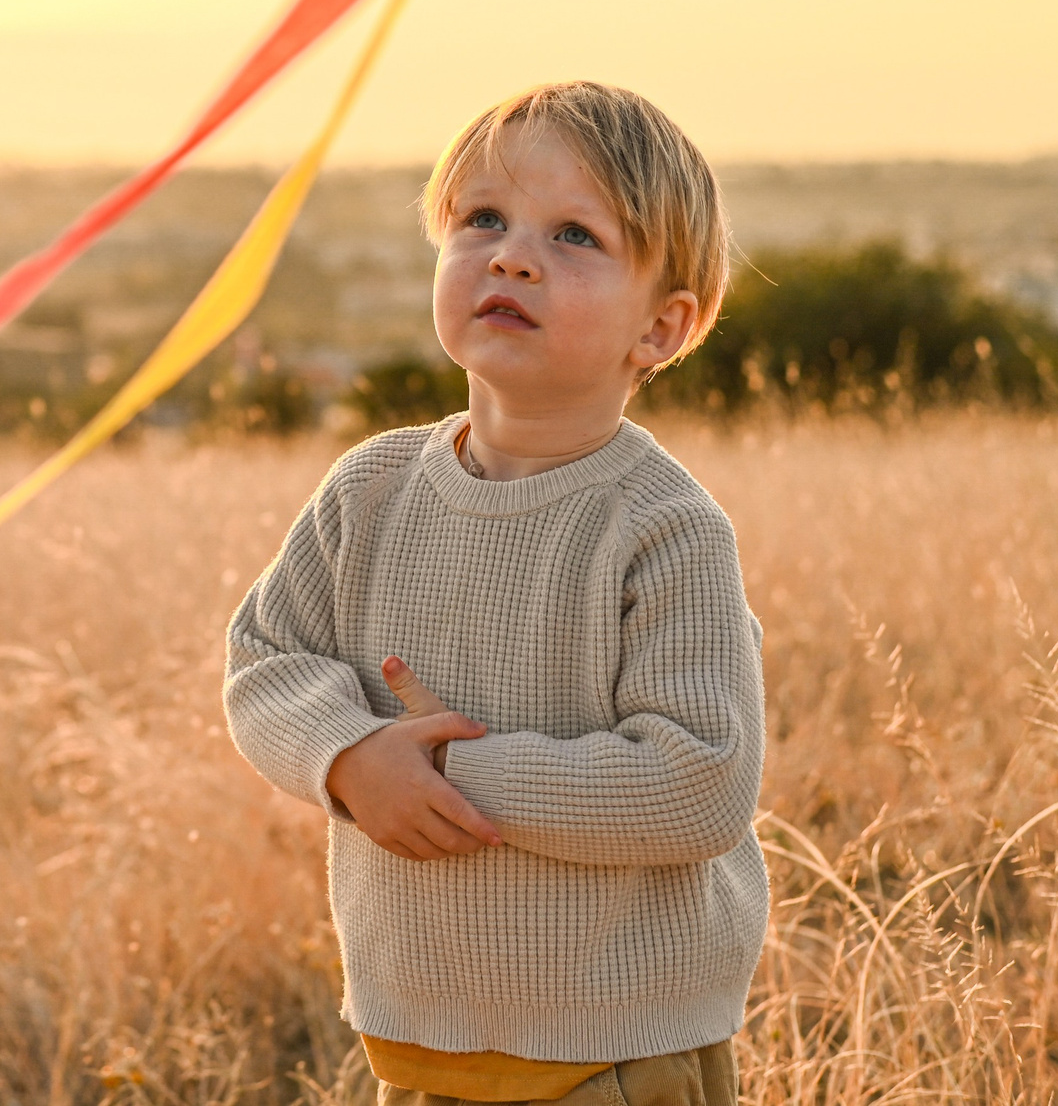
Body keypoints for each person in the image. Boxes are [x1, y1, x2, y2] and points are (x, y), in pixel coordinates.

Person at [223, 81, 764, 1106]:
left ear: (660, 326)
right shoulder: (370, 487)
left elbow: (700, 779)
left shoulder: (662, 526)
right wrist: (347, 757)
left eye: (573, 234)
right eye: (482, 219)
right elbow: (263, 657)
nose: (512, 254)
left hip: (613, 1049)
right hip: (420, 1038)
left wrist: (446, 775)